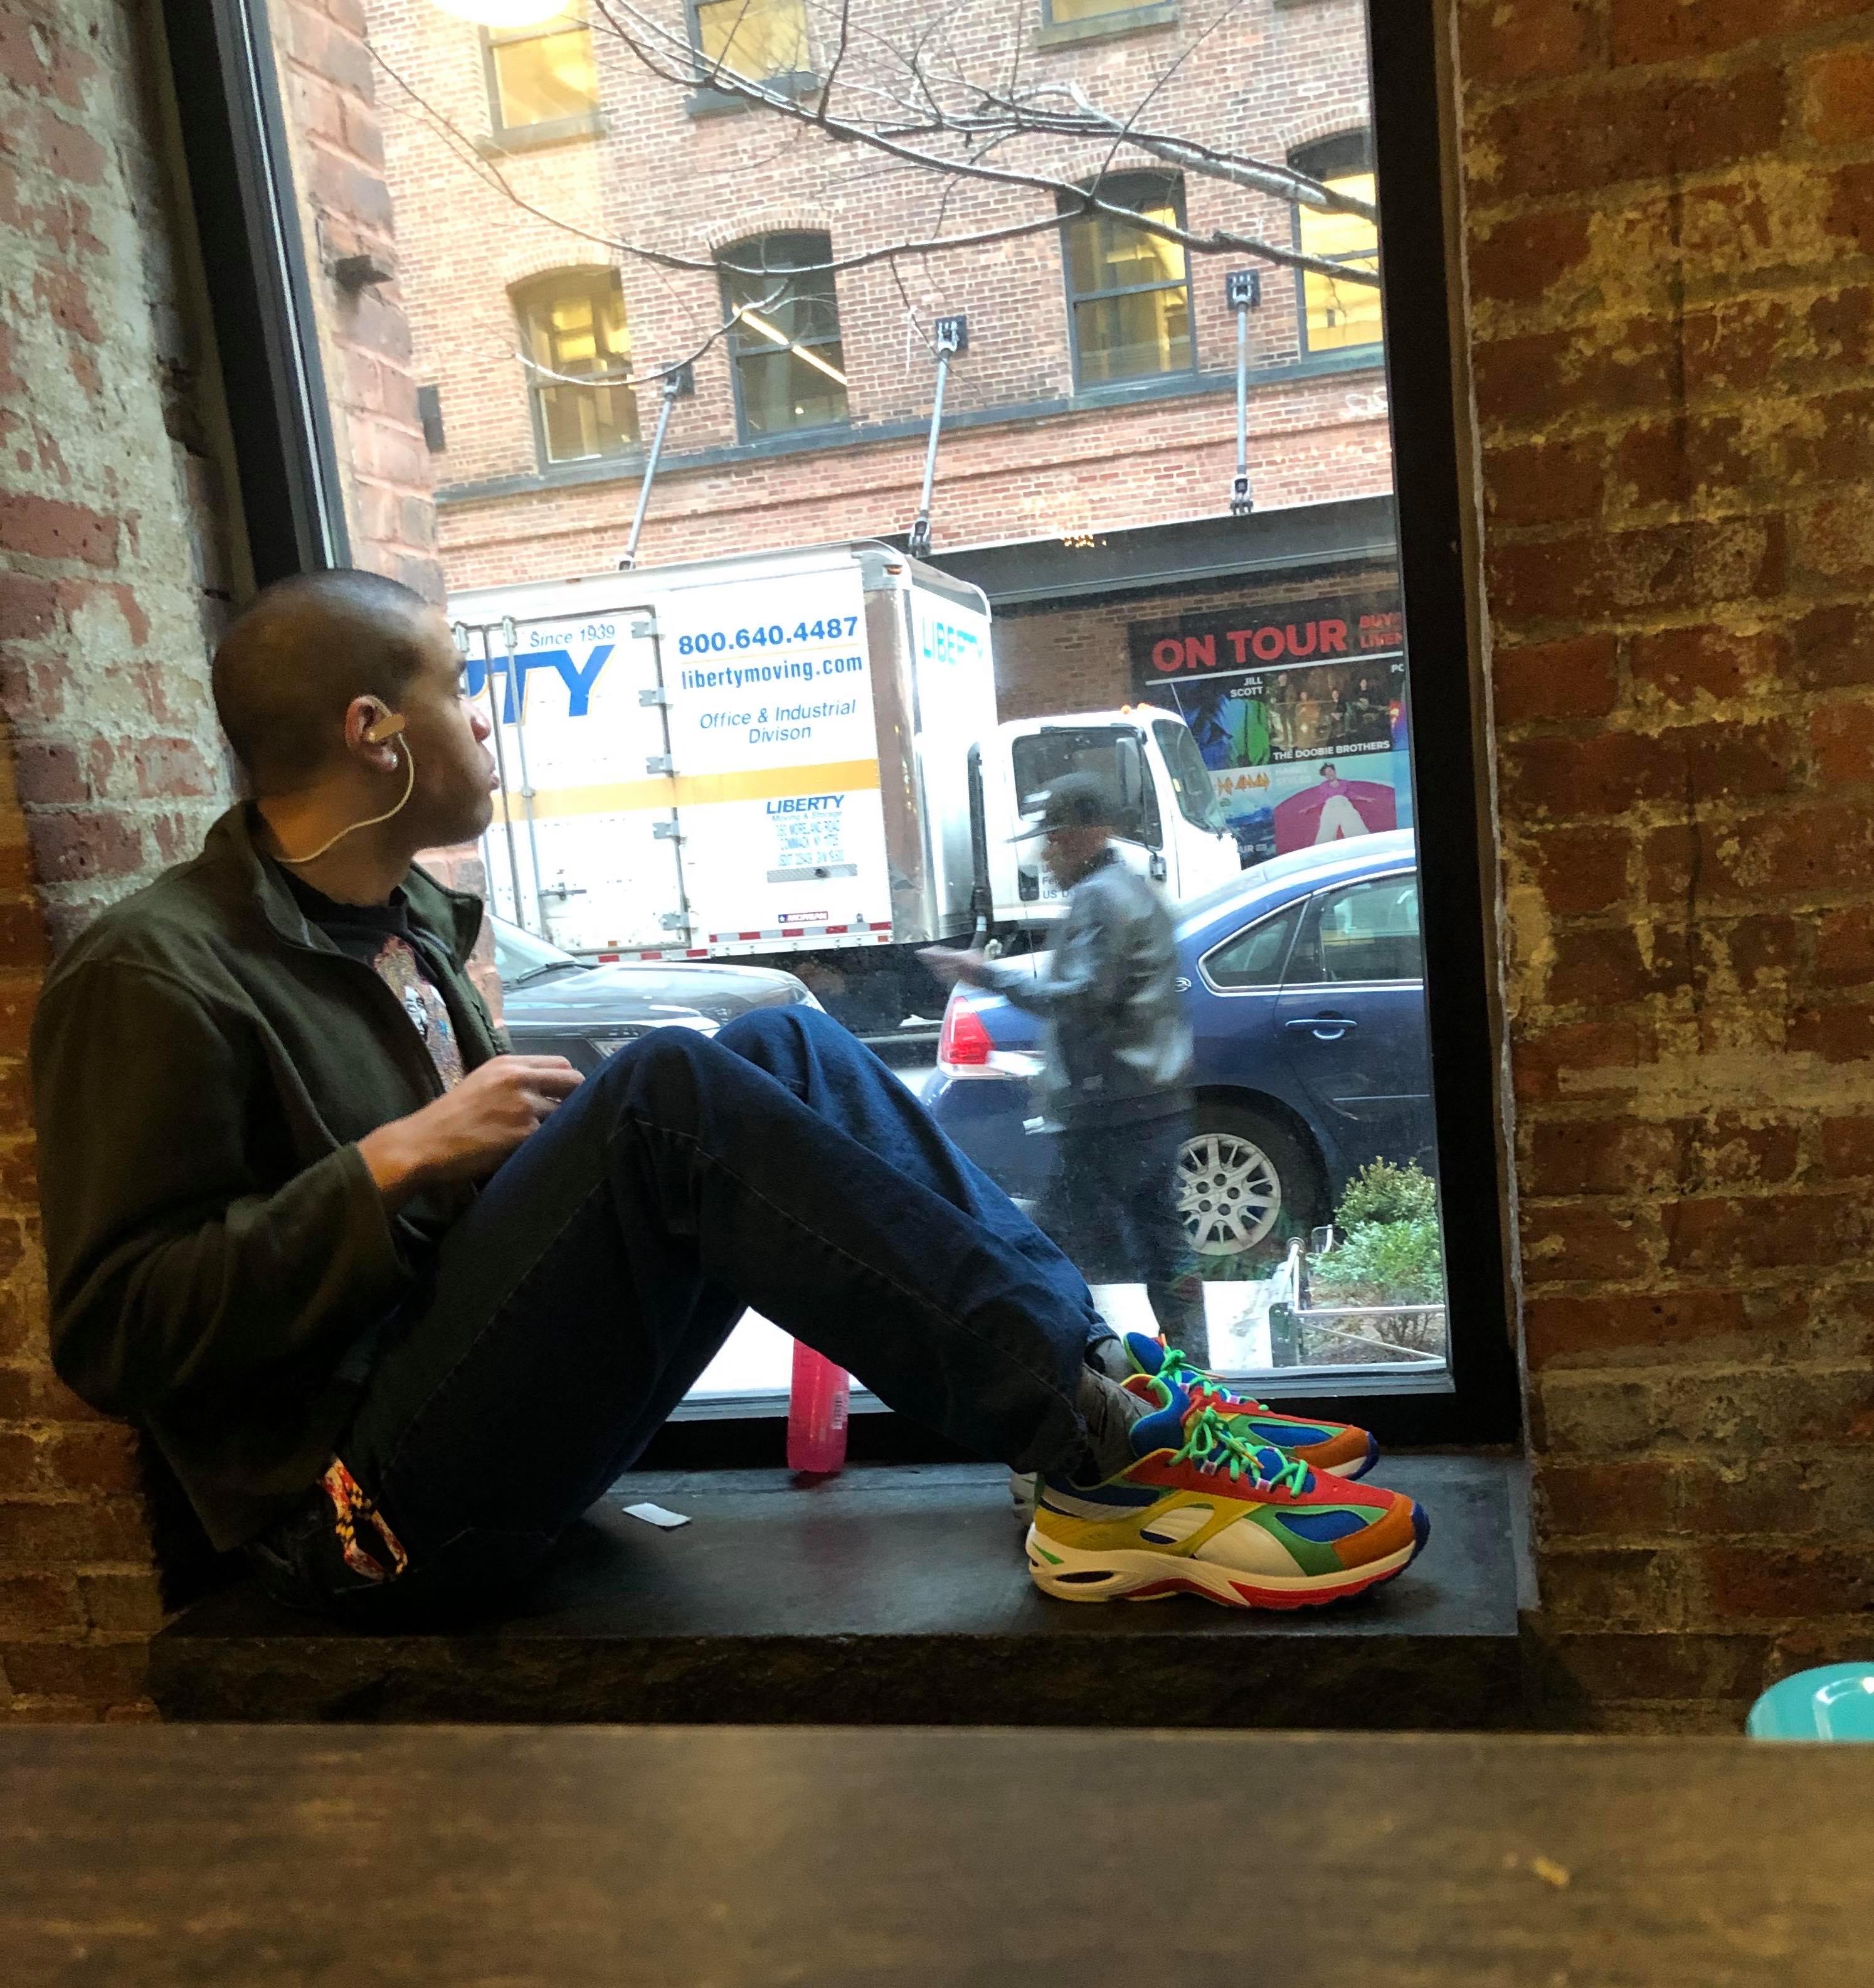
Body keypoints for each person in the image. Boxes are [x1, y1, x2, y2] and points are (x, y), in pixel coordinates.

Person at [31, 571, 1427, 1619]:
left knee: (770, 1039)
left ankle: (1103, 1396)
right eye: (461, 693)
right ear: (373, 732)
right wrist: (395, 1160)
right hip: (352, 1525)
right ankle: (1103, 1459)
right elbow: (113, 1336)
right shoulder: (154, 973)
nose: (486, 724)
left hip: (456, 1422)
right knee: (670, 1091)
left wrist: (504, 1177)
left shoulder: (404, 931)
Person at [921, 773, 1209, 1364]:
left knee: (1052, 1249)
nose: (1046, 854)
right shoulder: (1132, 891)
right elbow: (1112, 1001)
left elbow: (1080, 998)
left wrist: (982, 973)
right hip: (1151, 1104)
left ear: (1090, 833)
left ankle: (1060, 1369)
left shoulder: (1101, 898)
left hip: (1110, 1114)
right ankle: (1197, 1373)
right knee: (1163, 1249)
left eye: (1054, 838)